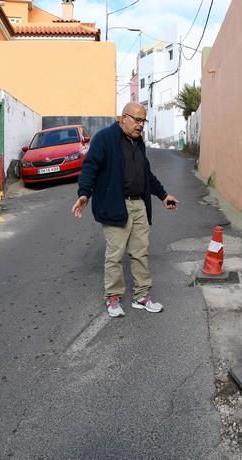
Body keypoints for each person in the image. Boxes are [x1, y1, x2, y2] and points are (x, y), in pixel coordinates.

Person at [71, 102, 179, 318]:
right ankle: (113, 296)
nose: (141, 125)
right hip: (115, 204)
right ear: (123, 118)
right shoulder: (105, 138)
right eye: (137, 120)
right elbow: (90, 167)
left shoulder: (139, 143)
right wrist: (84, 194)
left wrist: (163, 195)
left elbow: (146, 174)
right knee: (115, 254)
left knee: (141, 252)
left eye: (143, 121)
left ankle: (142, 295)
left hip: (139, 204)